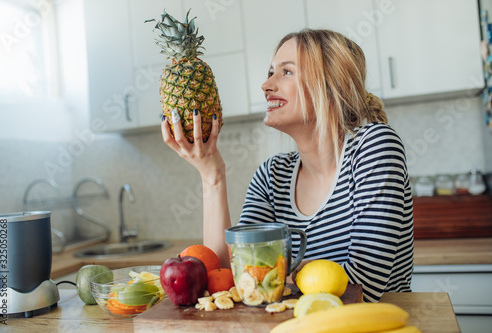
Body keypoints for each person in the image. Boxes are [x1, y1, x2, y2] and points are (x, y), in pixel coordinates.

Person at [161, 29, 414, 303]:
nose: (266, 85)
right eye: (271, 72)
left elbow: (362, 288)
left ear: (330, 86)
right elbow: (231, 281)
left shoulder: (374, 147)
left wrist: (272, 279)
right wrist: (212, 175)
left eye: (287, 72)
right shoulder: (272, 176)